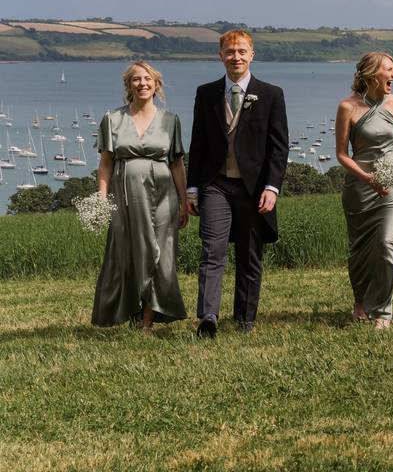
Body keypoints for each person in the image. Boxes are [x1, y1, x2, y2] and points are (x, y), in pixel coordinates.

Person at [186, 29, 289, 338]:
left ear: (252, 55)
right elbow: (199, 143)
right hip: (215, 185)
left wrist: (272, 187)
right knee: (212, 249)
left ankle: (244, 319)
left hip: (254, 188)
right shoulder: (206, 94)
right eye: (230, 52)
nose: (236, 57)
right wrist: (192, 188)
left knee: (249, 254)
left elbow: (279, 147)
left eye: (242, 51)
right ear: (220, 56)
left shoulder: (272, 94)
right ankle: (208, 317)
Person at [92, 61, 188, 332]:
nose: (142, 83)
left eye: (148, 79)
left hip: (163, 197)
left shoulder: (171, 121)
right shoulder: (112, 118)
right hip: (123, 196)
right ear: (128, 85)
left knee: (160, 254)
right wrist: (102, 197)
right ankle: (128, 311)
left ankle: (147, 321)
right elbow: (106, 162)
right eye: (136, 79)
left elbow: (178, 164)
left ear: (156, 85)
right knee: (124, 253)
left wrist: (183, 201)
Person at [335, 52, 393, 330]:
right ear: (372, 74)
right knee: (359, 249)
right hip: (359, 186)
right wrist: (367, 178)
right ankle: (360, 300)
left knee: (385, 242)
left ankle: (383, 311)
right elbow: (341, 154)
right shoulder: (347, 107)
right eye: (389, 70)